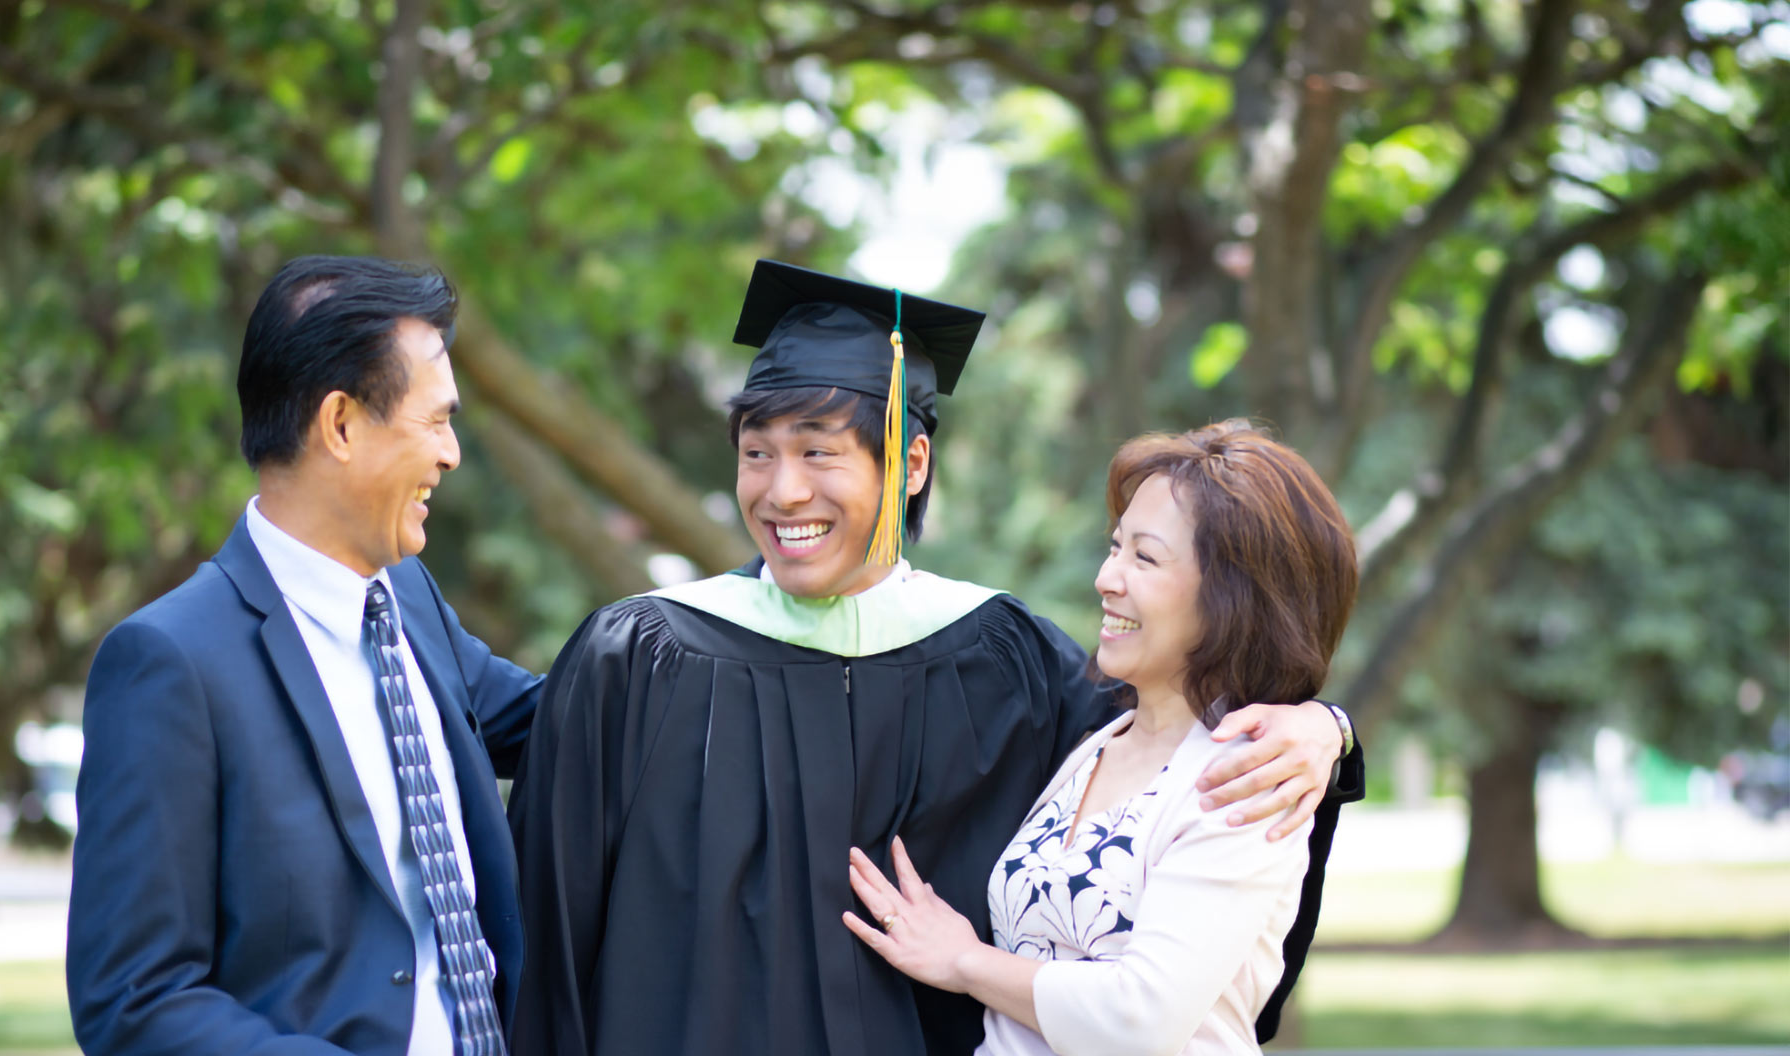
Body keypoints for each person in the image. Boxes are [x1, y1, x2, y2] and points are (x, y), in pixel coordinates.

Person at [509, 262, 1363, 1056]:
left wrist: (1325, 729)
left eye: (818, 451)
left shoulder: (1004, 661)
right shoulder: (640, 658)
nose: (782, 490)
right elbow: (549, 929)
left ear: (910, 463)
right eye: (756, 451)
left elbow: (1177, 744)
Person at [67, 256, 544, 1055]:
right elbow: (133, 999)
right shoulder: (170, 664)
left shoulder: (412, 603)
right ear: (342, 425)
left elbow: (565, 719)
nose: (452, 454)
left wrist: (772, 586)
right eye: (436, 421)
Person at [842, 421, 1360, 1056]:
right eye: (1115, 548)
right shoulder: (1095, 744)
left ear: (1236, 597)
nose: (1106, 578)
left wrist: (964, 962)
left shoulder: (1247, 777)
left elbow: (1137, 1020)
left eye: (1144, 557)